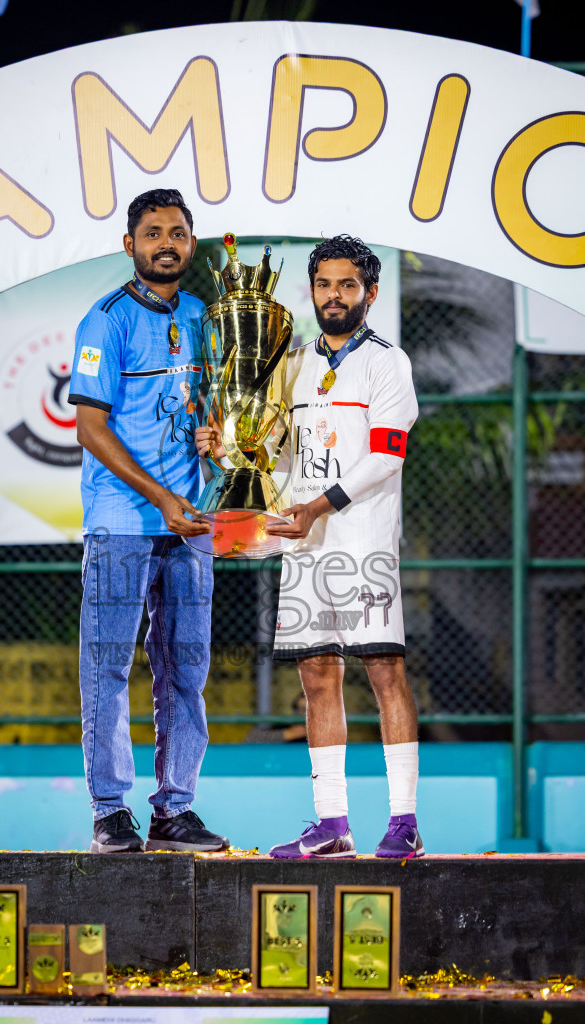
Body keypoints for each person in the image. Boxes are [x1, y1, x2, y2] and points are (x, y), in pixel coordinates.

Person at [196, 235, 422, 859]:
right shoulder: (290, 364)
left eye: (347, 285)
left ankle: (403, 821)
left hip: (363, 542)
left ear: (369, 294)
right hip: (303, 546)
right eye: (324, 285)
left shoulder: (386, 363)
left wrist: (320, 505)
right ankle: (333, 825)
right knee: (318, 678)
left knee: (384, 672)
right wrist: (223, 445)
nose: (334, 296)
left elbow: (387, 455)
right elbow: (270, 451)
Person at [68, 188, 229, 854]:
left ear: (191, 245)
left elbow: (218, 411)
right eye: (153, 232)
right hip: (121, 522)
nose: (167, 243)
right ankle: (110, 811)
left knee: (185, 669)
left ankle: (174, 810)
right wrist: (159, 496)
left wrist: (221, 439)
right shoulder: (104, 320)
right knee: (108, 666)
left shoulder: (204, 318)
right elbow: (89, 427)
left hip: (190, 525)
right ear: (129, 244)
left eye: (179, 233)